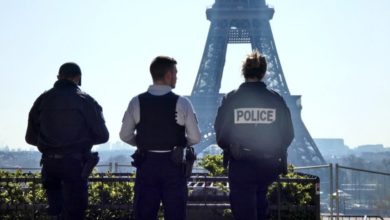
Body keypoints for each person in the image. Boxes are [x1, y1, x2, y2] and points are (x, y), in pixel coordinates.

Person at [214, 50, 294, 220]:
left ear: (243, 72)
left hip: (240, 162)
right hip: (267, 163)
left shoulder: (232, 99)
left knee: (242, 210)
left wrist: (231, 146)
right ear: (264, 73)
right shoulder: (275, 99)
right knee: (261, 206)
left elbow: (221, 132)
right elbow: (288, 133)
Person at [120, 56, 201, 220]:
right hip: (173, 165)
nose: (177, 76)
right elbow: (195, 137)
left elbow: (124, 135)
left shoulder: (136, 102)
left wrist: (143, 143)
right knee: (176, 213)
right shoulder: (182, 103)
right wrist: (182, 143)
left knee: (144, 213)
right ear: (169, 75)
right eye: (176, 73)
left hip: (147, 165)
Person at [25, 62, 109, 220]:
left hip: (50, 166)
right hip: (76, 166)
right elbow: (103, 136)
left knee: (55, 211)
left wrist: (51, 145)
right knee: (75, 213)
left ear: (58, 77)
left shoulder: (42, 100)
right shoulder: (86, 100)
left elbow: (30, 138)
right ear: (78, 78)